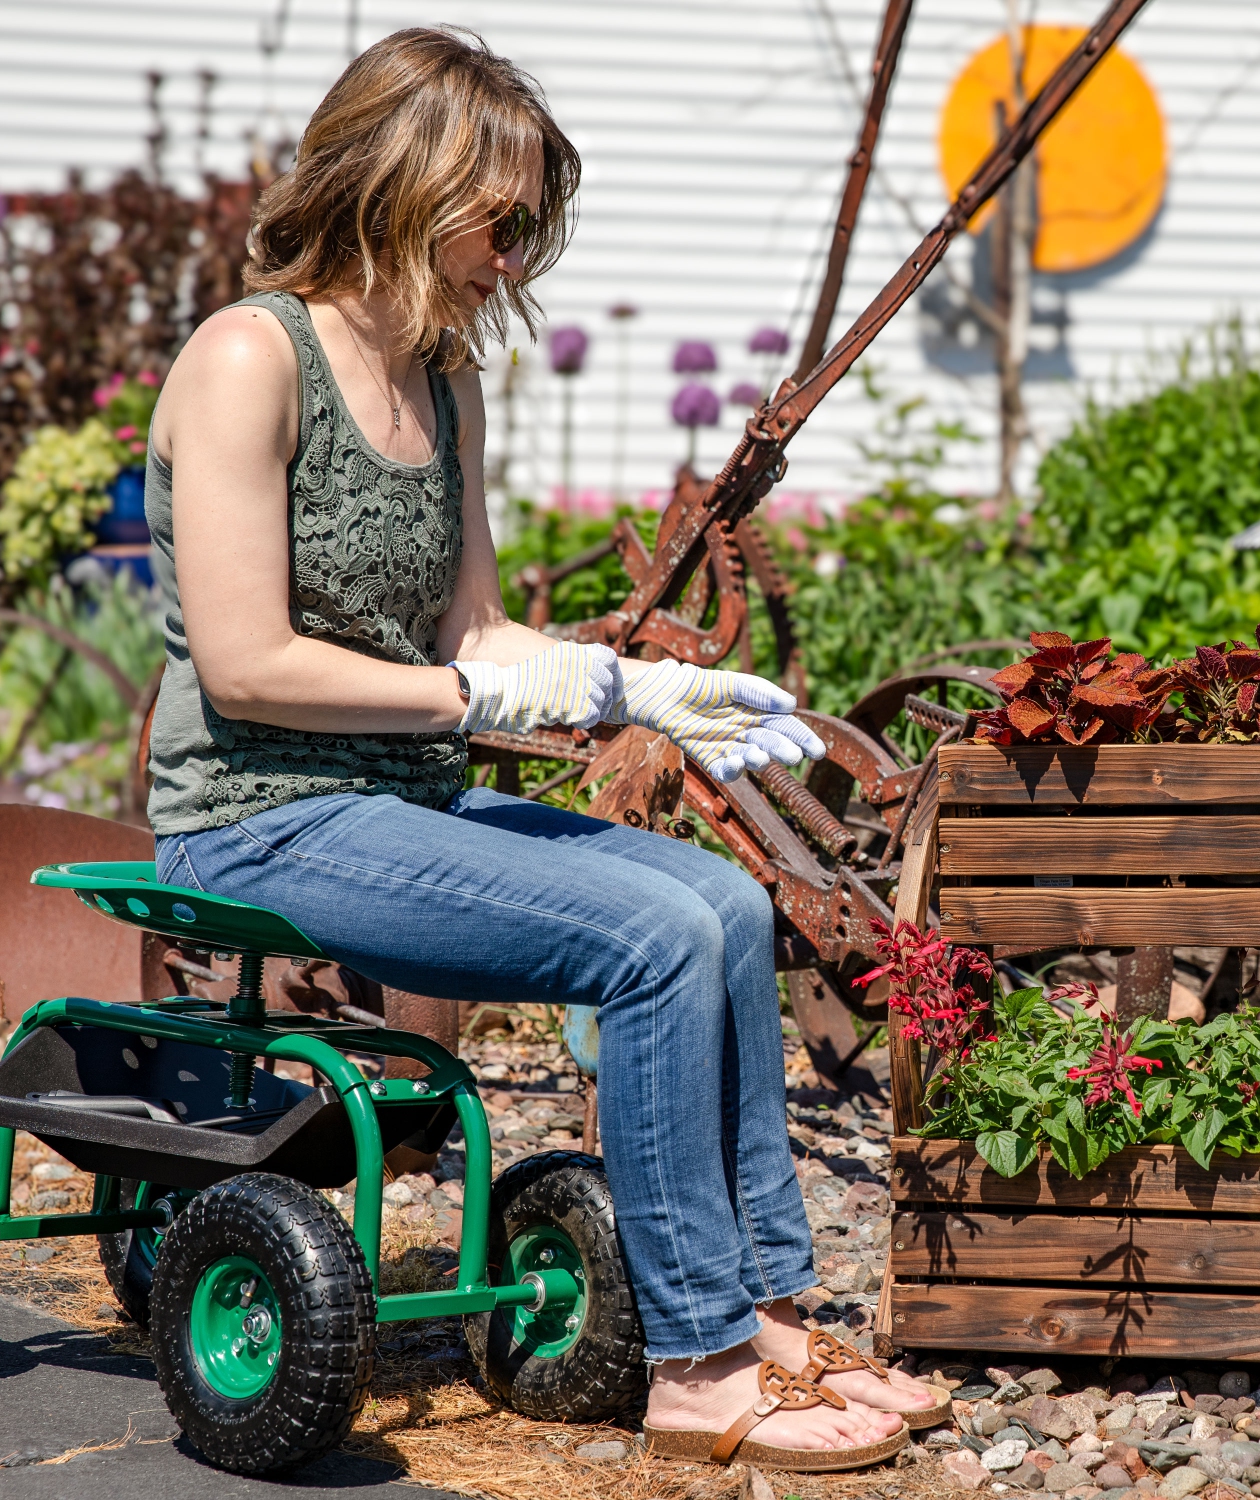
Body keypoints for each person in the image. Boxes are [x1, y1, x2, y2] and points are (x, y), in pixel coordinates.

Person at [145, 25, 942, 1468]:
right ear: (399, 182)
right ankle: (696, 1365)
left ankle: (766, 1313)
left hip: (403, 804)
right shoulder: (246, 361)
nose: (511, 259)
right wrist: (475, 705)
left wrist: (630, 688)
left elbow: (477, 630)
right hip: (261, 812)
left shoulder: (444, 383)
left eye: (527, 227)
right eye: (496, 221)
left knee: (718, 902)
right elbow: (245, 659)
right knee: (643, 937)